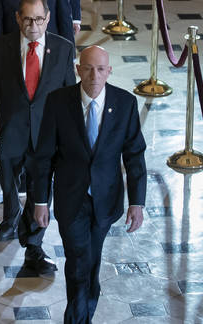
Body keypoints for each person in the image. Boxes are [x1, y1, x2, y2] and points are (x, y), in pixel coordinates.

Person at [32, 45, 147, 324]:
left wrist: (137, 202)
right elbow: (44, 156)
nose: (94, 75)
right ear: (78, 69)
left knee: (91, 262)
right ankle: (77, 320)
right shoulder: (58, 102)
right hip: (71, 199)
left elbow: (134, 156)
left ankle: (84, 313)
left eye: (100, 69)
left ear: (109, 71)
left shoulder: (125, 103)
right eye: (88, 68)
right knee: (78, 260)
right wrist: (39, 201)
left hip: (106, 200)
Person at [0, 0, 75, 275]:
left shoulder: (63, 48)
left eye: (38, 19)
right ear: (18, 18)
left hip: (46, 135)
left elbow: (69, 94)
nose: (32, 25)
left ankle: (34, 243)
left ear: (47, 19)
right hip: (10, 132)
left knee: (40, 189)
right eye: (27, 18)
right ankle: (10, 215)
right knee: (9, 183)